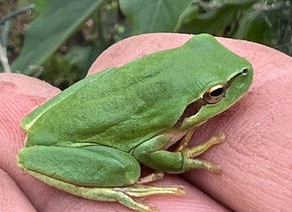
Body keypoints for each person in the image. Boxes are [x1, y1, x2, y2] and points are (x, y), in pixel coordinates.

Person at [0, 33, 291, 211]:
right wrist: (180, 162)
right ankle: (110, 187)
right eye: (216, 94)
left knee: (110, 71)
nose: (223, 93)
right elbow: (145, 150)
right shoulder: (171, 124)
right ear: (196, 106)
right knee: (128, 168)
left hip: (58, 116)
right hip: (76, 142)